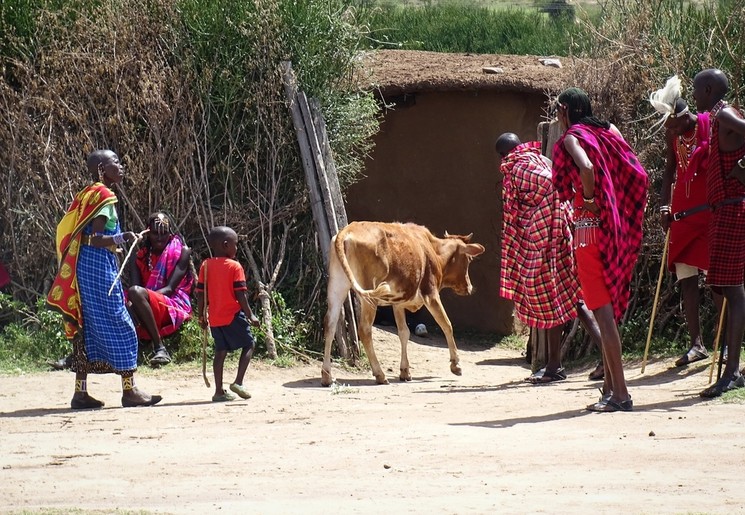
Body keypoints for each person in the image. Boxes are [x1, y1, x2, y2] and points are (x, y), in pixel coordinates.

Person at [551, 88, 648, 412]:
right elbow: (634, 170)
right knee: (610, 314)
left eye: (557, 112)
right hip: (616, 230)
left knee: (604, 316)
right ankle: (609, 388)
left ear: (564, 110)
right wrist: (614, 205)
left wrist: (591, 202)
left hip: (590, 231)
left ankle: (620, 394)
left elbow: (587, 168)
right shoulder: (610, 130)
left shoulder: (571, 138)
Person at [46, 149, 162, 409]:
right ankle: (129, 391)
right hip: (98, 269)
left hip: (84, 267)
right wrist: (123, 237)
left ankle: (80, 394)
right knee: (122, 324)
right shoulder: (105, 196)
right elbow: (96, 238)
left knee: (86, 327)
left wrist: (115, 245)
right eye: (115, 163)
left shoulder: (87, 194)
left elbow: (88, 237)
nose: (121, 166)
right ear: (101, 168)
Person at [495, 132, 602, 384]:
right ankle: (555, 365)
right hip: (560, 234)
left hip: (546, 240)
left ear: (502, 155)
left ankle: (606, 358)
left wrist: (540, 227)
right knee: (558, 299)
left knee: (562, 299)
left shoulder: (519, 166)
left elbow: (552, 185)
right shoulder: (538, 159)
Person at [650, 76, 722, 367]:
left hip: (709, 212)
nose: (672, 132)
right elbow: (669, 172)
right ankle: (697, 344)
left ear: (683, 117)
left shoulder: (710, 125)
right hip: (681, 215)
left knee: (718, 281)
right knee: (686, 280)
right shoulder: (674, 134)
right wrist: (664, 206)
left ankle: (725, 344)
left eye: (674, 126)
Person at [692, 69, 745, 397]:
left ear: (709, 89)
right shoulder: (722, 116)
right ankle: (732, 368)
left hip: (733, 208)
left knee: (733, 290)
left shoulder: (724, 113)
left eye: (697, 91)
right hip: (726, 208)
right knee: (729, 288)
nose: (695, 97)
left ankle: (732, 372)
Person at [195, 226, 260, 402]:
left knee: (220, 351)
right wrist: (251, 315)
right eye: (235, 244)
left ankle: (218, 392)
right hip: (233, 315)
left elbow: (201, 294)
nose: (236, 248)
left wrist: (201, 316)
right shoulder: (235, 266)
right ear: (225, 245)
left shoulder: (205, 265)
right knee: (249, 344)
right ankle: (238, 382)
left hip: (215, 318)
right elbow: (241, 294)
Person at [126, 211, 195, 366]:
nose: (159, 237)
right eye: (155, 233)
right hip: (144, 301)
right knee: (114, 299)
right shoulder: (139, 256)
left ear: (169, 233)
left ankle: (159, 347)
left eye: (164, 233)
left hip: (171, 303)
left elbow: (170, 288)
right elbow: (133, 287)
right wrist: (135, 301)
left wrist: (141, 298)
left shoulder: (181, 251)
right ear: (148, 233)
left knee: (136, 293)